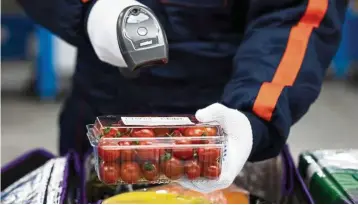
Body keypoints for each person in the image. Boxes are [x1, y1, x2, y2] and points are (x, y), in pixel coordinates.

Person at [17, 0, 348, 193]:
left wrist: (254, 115)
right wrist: (85, 9)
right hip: (107, 119)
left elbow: (297, 13)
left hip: (232, 117)